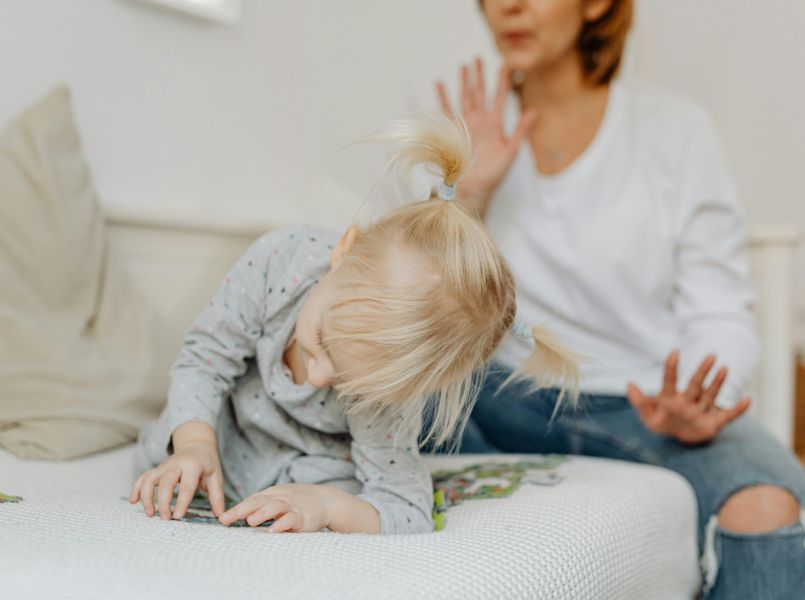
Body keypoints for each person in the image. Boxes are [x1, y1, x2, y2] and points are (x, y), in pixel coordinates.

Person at [431, 0, 805, 596]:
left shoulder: (675, 131)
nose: (509, 6)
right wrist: (468, 196)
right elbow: (417, 313)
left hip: (642, 405)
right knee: (369, 401)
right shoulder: (464, 129)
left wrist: (700, 402)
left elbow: (721, 313)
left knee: (769, 508)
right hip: (493, 397)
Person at [129, 113, 577, 535]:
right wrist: (194, 446)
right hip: (226, 425)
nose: (319, 377)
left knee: (341, 489)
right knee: (172, 435)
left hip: (308, 459)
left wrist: (323, 506)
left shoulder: (389, 387)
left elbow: (407, 508)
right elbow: (204, 360)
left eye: (349, 383)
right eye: (322, 340)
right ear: (345, 249)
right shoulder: (281, 259)